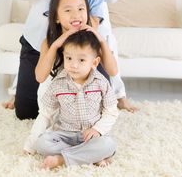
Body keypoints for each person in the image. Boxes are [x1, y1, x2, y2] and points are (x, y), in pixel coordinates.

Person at [24, 28, 118, 169]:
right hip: (64, 136)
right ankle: (90, 156)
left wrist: (97, 130)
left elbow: (111, 111)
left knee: (108, 144)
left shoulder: (101, 83)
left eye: (81, 60)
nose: (73, 65)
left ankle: (61, 159)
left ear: (94, 62)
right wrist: (30, 145)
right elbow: (45, 115)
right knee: (42, 143)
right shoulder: (58, 84)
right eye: (69, 58)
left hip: (91, 136)